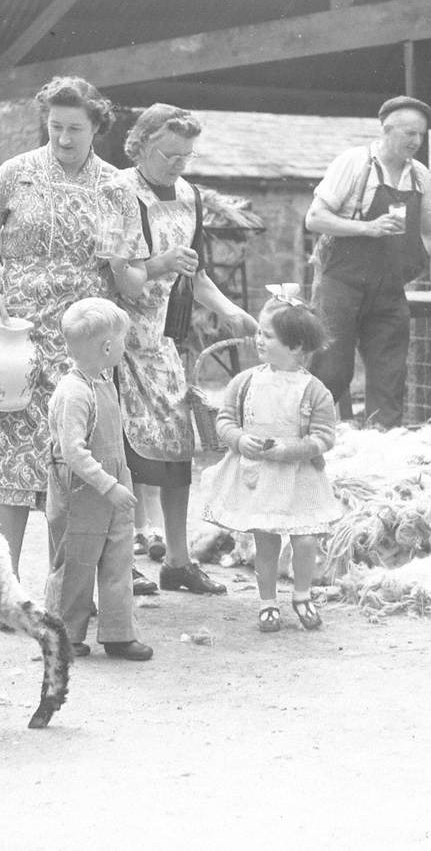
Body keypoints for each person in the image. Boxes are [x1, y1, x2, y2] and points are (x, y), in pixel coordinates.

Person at [0, 75, 146, 577]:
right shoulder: (16, 174)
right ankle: (7, 580)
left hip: (82, 342)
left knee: (77, 457)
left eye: (75, 129)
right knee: (11, 458)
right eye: (55, 127)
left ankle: (69, 588)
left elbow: (136, 282)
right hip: (18, 334)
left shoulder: (118, 187)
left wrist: (122, 265)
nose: (63, 138)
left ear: (96, 128)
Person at [101, 102, 258, 596]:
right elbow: (119, 277)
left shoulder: (188, 194)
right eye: (170, 155)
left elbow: (197, 271)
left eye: (186, 156)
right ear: (142, 145)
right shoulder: (119, 191)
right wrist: (159, 261)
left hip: (164, 338)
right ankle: (119, 562)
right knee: (120, 451)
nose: (178, 165)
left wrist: (230, 310)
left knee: (176, 446)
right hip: (119, 336)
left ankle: (178, 559)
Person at [201, 287, 341, 632]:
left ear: (295, 347)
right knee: (265, 540)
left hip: (297, 477)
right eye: (259, 333)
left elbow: (324, 437)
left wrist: (287, 450)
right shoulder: (245, 381)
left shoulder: (314, 391)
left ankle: (302, 594)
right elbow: (225, 419)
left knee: (305, 538)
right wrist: (238, 440)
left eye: (267, 335)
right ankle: (267, 602)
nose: (258, 340)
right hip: (259, 476)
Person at [304, 95, 431, 428]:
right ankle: (310, 446)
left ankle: (381, 459)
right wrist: (367, 228)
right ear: (386, 130)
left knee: (389, 378)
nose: (416, 142)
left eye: (421, 135)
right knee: (332, 370)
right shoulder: (355, 163)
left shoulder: (419, 176)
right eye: (409, 133)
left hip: (390, 288)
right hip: (342, 283)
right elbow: (315, 218)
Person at [45, 298, 152, 661]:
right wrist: (108, 485)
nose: (124, 346)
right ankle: (64, 634)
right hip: (82, 490)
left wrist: (118, 482)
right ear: (107, 347)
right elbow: (73, 452)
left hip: (114, 483)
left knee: (118, 561)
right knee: (76, 560)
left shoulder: (104, 380)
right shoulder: (74, 392)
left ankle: (119, 633)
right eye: (122, 340)